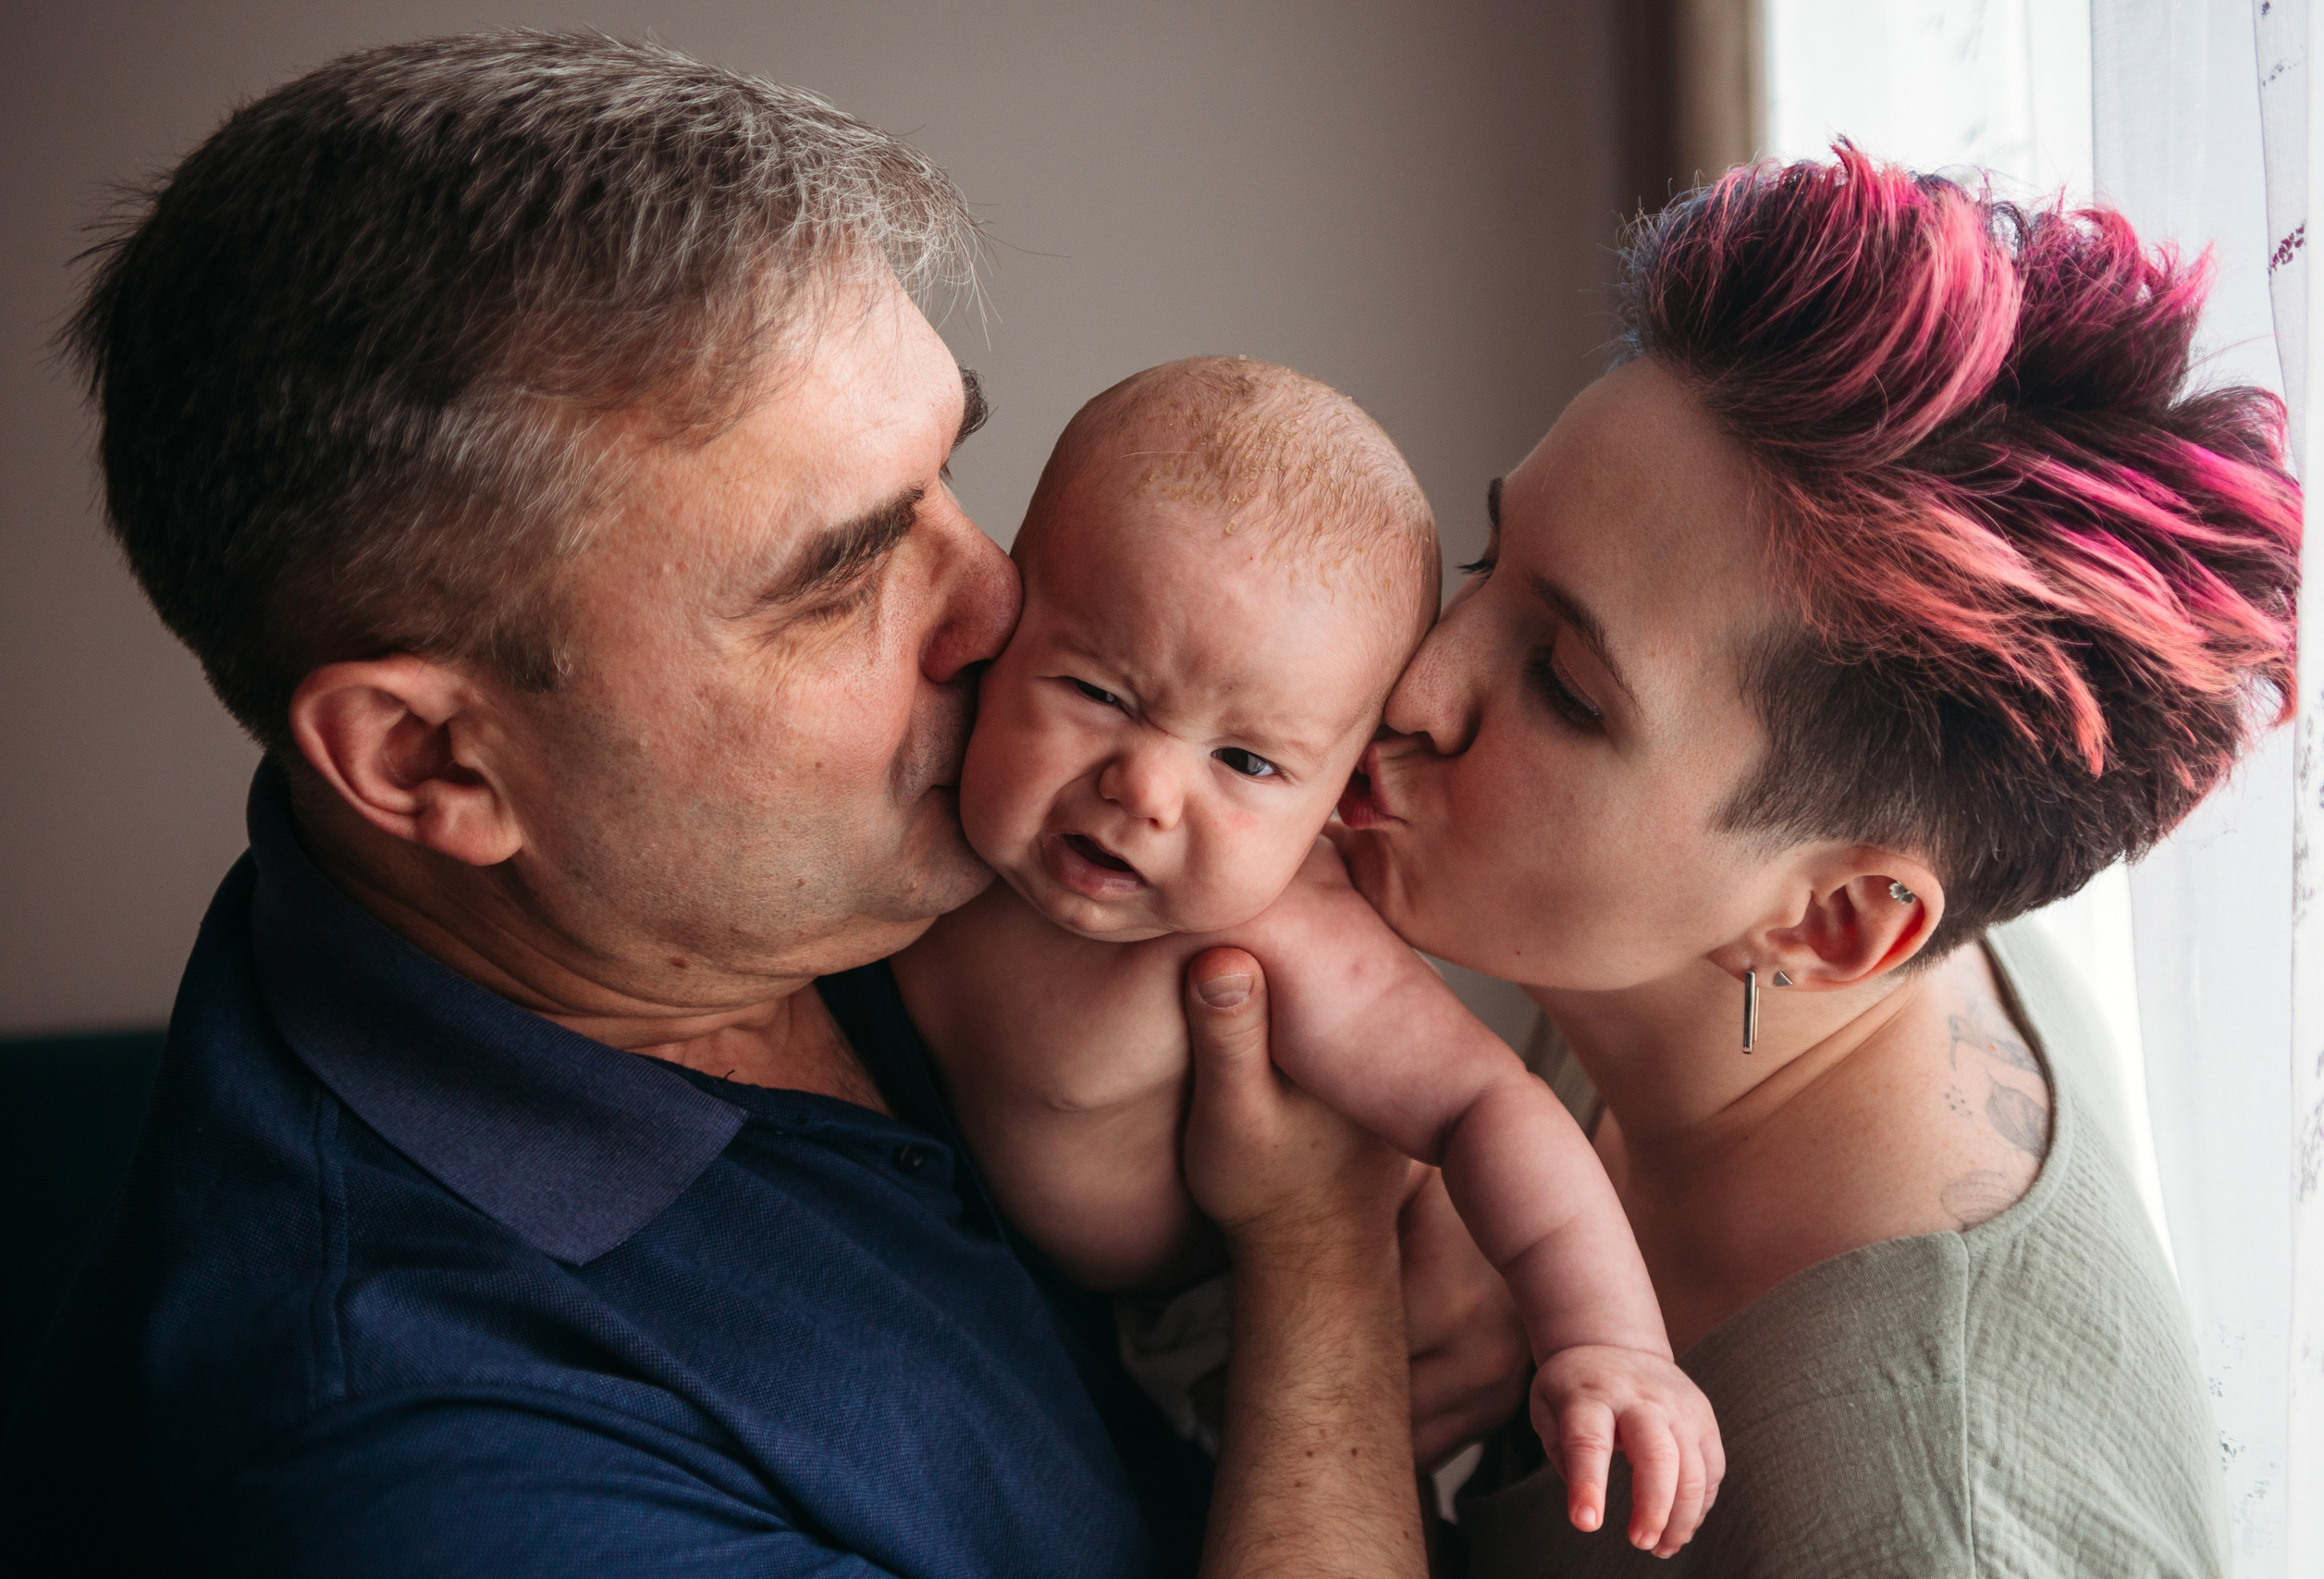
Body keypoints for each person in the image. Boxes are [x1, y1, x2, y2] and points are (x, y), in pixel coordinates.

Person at [0, 31, 1520, 1577]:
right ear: (431, 761)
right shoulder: (425, 1473)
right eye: (843, 575)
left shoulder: (770, 870)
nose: (1001, 605)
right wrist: (1319, 1252)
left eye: (950, 474)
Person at [1206, 149, 2300, 1574]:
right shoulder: (1730, 955)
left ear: (1839, 923)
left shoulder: (1924, 1530)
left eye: (1567, 689)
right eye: (1486, 559)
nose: (1414, 683)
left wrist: (1319, 1254)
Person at [898, 355, 1720, 1555]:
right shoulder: (910, 788)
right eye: (1096, 691)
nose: (1145, 787)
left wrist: (1604, 1341)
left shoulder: (1283, 925)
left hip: (1213, 1331)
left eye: (1246, 762)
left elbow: (1486, 1105)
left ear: (1341, 797)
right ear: (1002, 624)